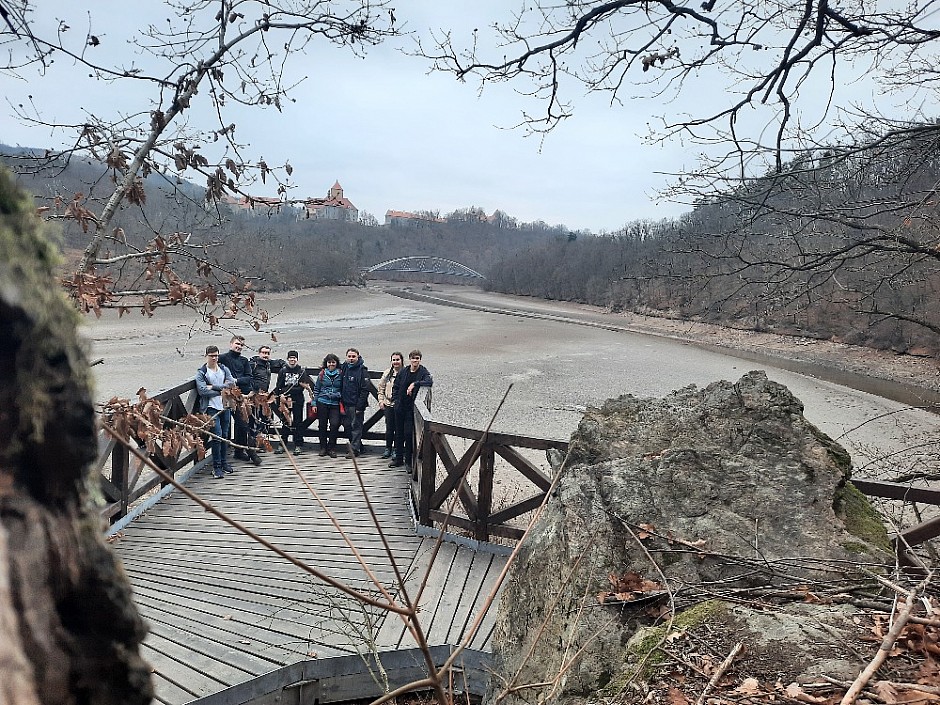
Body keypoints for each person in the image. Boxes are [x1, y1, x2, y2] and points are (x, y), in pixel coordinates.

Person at [218, 335, 262, 466]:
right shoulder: (223, 358)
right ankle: (249, 452)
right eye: (237, 344)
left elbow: (248, 377)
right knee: (230, 425)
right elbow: (210, 368)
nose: (239, 346)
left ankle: (239, 450)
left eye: (242, 345)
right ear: (231, 344)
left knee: (242, 423)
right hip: (226, 397)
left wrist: (235, 380)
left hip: (242, 396)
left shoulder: (244, 361)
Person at [195, 345, 236, 478]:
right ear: (206, 356)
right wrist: (222, 390)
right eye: (211, 356)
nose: (214, 358)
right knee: (217, 436)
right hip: (211, 408)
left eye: (216, 355)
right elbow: (202, 391)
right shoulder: (202, 372)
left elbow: (231, 384)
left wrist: (214, 387)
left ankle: (224, 463)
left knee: (224, 435)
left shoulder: (224, 369)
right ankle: (216, 466)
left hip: (225, 406)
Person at [389, 350, 433, 469]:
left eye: (417, 358)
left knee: (408, 434)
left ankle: (408, 461)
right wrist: (395, 400)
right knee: (398, 434)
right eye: (413, 358)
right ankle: (398, 459)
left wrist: (415, 383)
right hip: (400, 406)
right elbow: (396, 386)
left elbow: (429, 381)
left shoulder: (422, 371)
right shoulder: (404, 371)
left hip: (411, 409)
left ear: (420, 359)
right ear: (409, 359)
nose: (415, 361)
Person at [273, 350, 312, 454]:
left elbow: (301, 387)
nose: (292, 360)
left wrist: (287, 391)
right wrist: (280, 395)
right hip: (284, 399)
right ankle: (282, 444)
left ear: (297, 359)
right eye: (290, 357)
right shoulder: (283, 371)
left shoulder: (301, 371)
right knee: (285, 421)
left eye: (294, 358)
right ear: (287, 359)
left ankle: (298, 444)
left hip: (297, 399)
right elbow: (278, 386)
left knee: (298, 422)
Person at [250, 344, 286, 444]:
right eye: (264, 353)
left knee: (266, 418)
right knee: (254, 420)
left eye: (268, 353)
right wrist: (255, 390)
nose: (266, 355)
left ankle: (261, 440)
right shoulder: (253, 364)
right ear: (259, 353)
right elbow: (249, 377)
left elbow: (279, 362)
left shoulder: (268, 363)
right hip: (254, 396)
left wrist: (284, 368)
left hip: (264, 397)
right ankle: (253, 442)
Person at [340, 347, 370, 458]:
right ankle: (359, 446)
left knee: (356, 427)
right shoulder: (344, 367)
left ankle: (354, 450)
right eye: (349, 356)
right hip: (345, 403)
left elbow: (365, 389)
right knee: (347, 426)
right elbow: (332, 365)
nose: (351, 358)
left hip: (356, 404)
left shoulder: (362, 370)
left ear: (358, 357)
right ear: (346, 357)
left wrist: (360, 406)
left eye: (353, 356)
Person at [313, 353, 343, 457]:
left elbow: (344, 388)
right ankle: (323, 447)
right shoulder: (322, 374)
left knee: (334, 425)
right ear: (326, 363)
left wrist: (338, 395)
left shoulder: (341, 374)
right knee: (322, 425)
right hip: (322, 402)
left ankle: (332, 448)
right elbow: (316, 389)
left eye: (333, 362)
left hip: (335, 403)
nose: (331, 364)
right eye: (329, 362)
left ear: (336, 363)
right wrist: (314, 403)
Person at [377, 352, 404, 459]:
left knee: (398, 429)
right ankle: (388, 448)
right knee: (389, 428)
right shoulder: (387, 373)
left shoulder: (405, 373)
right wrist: (380, 400)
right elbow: (381, 387)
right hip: (388, 403)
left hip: (399, 405)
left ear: (401, 360)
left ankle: (396, 450)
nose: (396, 362)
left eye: (397, 360)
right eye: (394, 360)